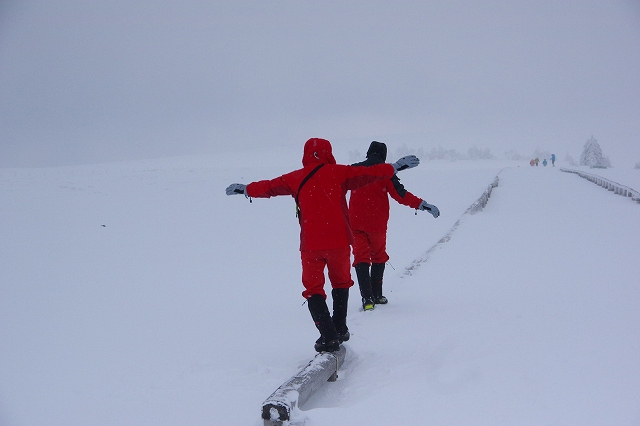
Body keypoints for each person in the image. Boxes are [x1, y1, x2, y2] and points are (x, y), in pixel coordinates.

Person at [225, 138, 420, 352]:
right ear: (329, 153)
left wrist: (246, 189)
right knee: (341, 284)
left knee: (313, 289)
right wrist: (393, 167)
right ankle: (339, 329)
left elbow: (270, 187)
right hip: (339, 243)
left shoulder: (295, 178)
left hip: (311, 245)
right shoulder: (339, 172)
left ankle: (329, 336)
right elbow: (368, 174)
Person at [348, 141, 440, 310]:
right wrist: (423, 205)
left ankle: (367, 299)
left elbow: (336, 183)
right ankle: (377, 295)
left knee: (361, 258)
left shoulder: (355, 169)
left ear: (368, 153)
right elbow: (401, 195)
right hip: (376, 225)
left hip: (355, 223)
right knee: (378, 257)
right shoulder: (386, 173)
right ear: (383, 155)